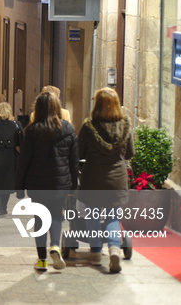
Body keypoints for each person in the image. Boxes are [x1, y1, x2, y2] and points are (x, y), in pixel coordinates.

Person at [15, 92, 79, 272]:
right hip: (60, 183)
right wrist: (74, 185)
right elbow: (74, 161)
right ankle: (56, 247)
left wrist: (19, 187)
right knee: (57, 215)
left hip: (37, 184)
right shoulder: (68, 129)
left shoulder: (32, 131)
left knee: (40, 219)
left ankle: (42, 260)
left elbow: (23, 161)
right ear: (57, 108)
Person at [77, 87, 134, 273]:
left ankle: (95, 253)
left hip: (93, 177)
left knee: (93, 215)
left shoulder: (89, 127)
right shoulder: (125, 126)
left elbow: (80, 152)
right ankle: (115, 249)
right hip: (116, 178)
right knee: (112, 217)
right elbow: (130, 153)